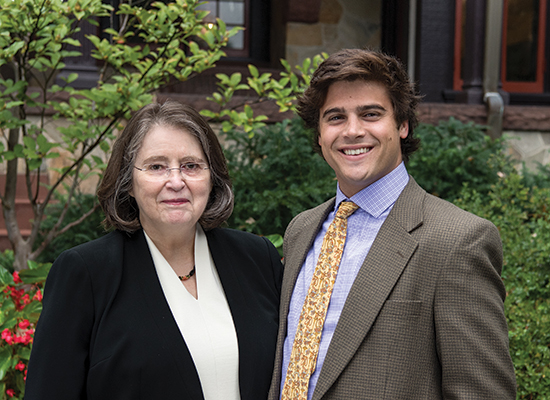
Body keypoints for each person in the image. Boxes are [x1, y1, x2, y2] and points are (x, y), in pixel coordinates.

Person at [268, 49, 516, 400]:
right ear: (320, 135)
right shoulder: (301, 230)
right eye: (335, 117)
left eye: (371, 114)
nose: (352, 131)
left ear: (402, 125)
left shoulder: (458, 241)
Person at [25, 101, 283, 400]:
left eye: (191, 165)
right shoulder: (86, 273)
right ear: (128, 182)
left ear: (212, 178)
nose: (176, 181)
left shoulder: (256, 257)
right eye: (156, 166)